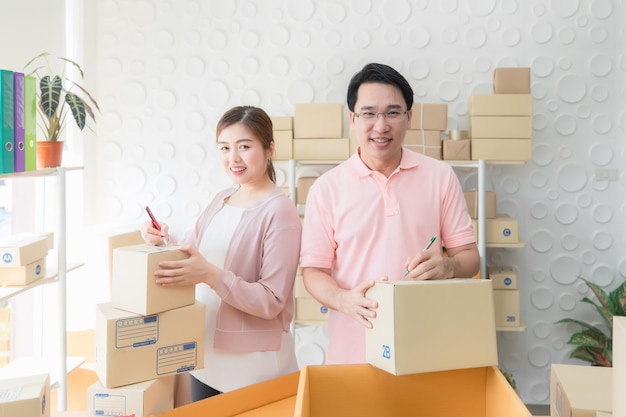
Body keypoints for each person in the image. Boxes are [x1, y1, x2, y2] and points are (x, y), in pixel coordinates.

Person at [300, 63, 480, 365]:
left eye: (393, 113)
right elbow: (313, 273)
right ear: (353, 119)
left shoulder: (440, 176)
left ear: (409, 117)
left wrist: (447, 267)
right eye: (369, 113)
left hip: (426, 346)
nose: (381, 126)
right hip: (354, 351)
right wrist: (343, 300)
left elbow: (471, 257)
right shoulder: (326, 188)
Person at [141, 105, 301, 401]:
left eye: (244, 146)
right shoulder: (222, 198)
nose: (233, 158)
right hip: (206, 357)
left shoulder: (280, 211)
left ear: (269, 149)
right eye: (224, 148)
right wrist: (162, 239)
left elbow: (271, 301)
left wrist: (212, 276)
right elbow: (194, 254)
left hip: (254, 368)